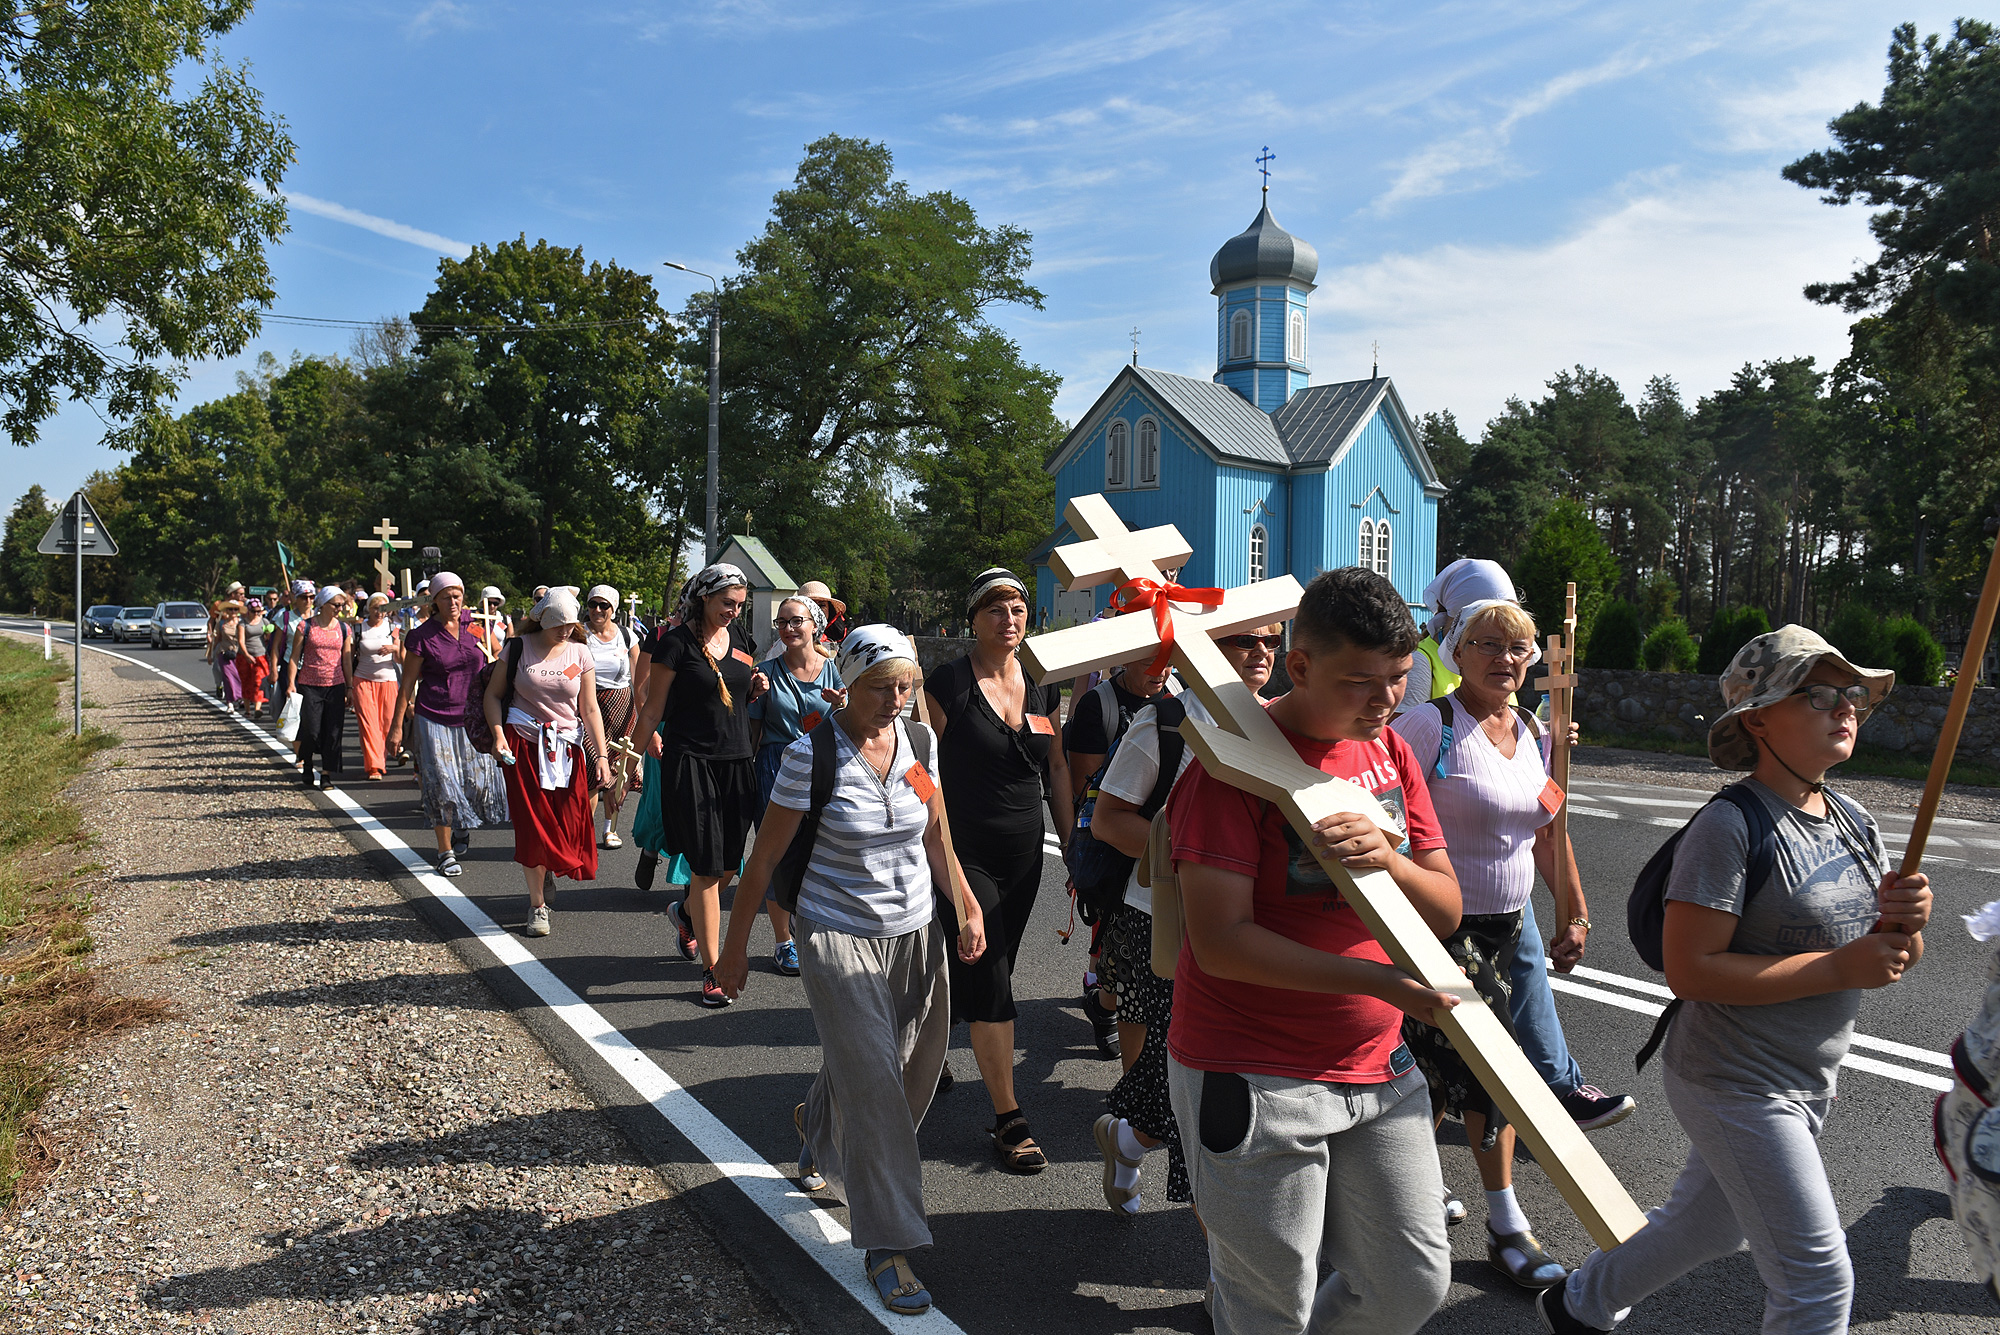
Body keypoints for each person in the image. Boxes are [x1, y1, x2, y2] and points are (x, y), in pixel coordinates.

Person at [1540, 627, 1933, 1335]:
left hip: (1809, 1074)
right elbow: (1693, 971)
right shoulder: (1729, 824)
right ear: (1758, 718)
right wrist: (1843, 966)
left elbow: (1886, 956)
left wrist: (1907, 925)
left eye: (1852, 694)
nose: (1844, 706)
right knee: (1817, 1280)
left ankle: (1578, 1302)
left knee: (1706, 1228)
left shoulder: (1856, 822)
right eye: (1819, 693)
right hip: (1733, 1078)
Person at [1167, 566, 1462, 1335]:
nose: (1386, 699)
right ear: (1299, 666)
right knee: (1271, 1305)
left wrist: (1388, 857)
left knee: (1410, 1284)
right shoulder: (1232, 764)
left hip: (1379, 1066)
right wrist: (1378, 980)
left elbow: (1445, 905)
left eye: (1399, 678)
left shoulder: (1391, 751)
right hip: (1257, 1071)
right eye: (1361, 682)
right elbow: (1221, 943)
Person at [713, 626, 986, 1314]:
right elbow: (765, 860)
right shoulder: (813, 756)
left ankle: (820, 1122)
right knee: (878, 1088)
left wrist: (967, 905)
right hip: (838, 935)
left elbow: (936, 834)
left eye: (907, 686)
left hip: (915, 931)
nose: (896, 700)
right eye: (881, 687)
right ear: (849, 681)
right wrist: (733, 945)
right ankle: (889, 1243)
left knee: (908, 1073)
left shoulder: (919, 745)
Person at [1389, 594, 1616, 1290]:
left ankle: (1420, 1201)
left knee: (1454, 1078)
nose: (1506, 658)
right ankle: (1498, 1223)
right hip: (1437, 927)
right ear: (1455, 652)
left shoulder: (1535, 732)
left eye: (1518, 647)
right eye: (1488, 643)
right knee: (1487, 1073)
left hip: (1508, 931)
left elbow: (1547, 829)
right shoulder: (1430, 725)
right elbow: (1383, 807)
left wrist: (1572, 913)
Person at [1085, 623, 1281, 1215]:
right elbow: (1109, 819)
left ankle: (1124, 1138)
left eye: (1272, 639)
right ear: (1206, 650)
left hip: (1250, 924)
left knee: (1206, 1067)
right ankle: (1221, 1263)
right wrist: (1196, 861)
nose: (1261, 652)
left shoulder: (1278, 723)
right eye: (1244, 639)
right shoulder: (1164, 724)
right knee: (1193, 1068)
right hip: (1165, 922)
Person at [922, 566, 1072, 1174]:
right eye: (994, 610)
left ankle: (927, 1053)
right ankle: (1009, 1120)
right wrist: (939, 852)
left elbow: (1056, 768)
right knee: (989, 973)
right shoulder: (948, 684)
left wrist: (1074, 845)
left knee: (988, 960)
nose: (1008, 620)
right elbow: (917, 768)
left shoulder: (1041, 684)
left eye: (1016, 610)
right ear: (973, 619)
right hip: (963, 852)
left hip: (1025, 853)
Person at [624, 564, 770, 1008]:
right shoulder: (675, 644)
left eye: (740, 605)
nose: (734, 611)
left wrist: (755, 688)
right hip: (691, 762)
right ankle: (713, 969)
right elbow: (652, 709)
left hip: (737, 761)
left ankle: (685, 913)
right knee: (706, 868)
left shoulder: (741, 640)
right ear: (704, 597)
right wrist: (633, 755)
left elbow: (734, 686)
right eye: (728, 603)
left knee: (728, 867)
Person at [1066, 652, 1177, 1060]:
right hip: (1117, 846)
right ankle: (1111, 1006)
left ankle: (1103, 1001)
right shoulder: (1100, 704)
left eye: (1166, 664)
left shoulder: (1176, 699)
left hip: (1152, 849)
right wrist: (1073, 855)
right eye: (1149, 663)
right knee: (1117, 929)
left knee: (1120, 941)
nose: (1160, 672)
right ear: (1125, 661)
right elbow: (1085, 792)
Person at [487, 587, 611, 938]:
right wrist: (498, 736)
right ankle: (537, 905)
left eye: (571, 624)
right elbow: (493, 695)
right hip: (524, 744)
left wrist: (600, 755)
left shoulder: (579, 653)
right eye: (559, 624)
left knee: (570, 822)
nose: (566, 631)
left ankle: (548, 867)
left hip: (566, 748)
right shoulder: (517, 648)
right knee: (533, 825)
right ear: (543, 620)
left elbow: (589, 709)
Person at [748, 595, 846, 976]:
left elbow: (845, 719)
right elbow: (753, 728)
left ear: (815, 625)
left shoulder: (832, 670)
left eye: (796, 621)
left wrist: (841, 705)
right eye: (782, 622)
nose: (788, 628)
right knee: (778, 855)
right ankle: (783, 941)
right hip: (777, 767)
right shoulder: (766, 671)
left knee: (819, 852)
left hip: (822, 768)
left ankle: (814, 932)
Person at [388, 572, 510, 875]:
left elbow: (496, 657)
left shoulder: (478, 626)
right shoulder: (422, 635)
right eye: (446, 596)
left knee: (476, 783)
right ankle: (444, 852)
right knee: (441, 783)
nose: (452, 602)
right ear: (435, 600)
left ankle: (461, 827)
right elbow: (407, 685)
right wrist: (397, 726)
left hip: (473, 717)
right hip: (434, 716)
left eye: (457, 596)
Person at [581, 586, 640, 847]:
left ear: (613, 609)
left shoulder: (628, 637)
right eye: (593, 604)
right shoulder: (579, 635)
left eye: (603, 605)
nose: (597, 610)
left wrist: (641, 712)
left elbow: (639, 681)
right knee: (594, 767)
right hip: (590, 703)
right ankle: (583, 831)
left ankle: (610, 828)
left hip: (622, 706)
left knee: (617, 770)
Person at [285, 586, 356, 788]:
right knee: (312, 730)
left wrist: (349, 687)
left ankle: (326, 774)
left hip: (335, 685)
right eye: (336, 605)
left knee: (333, 731)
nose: (339, 609)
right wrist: (291, 683)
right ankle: (307, 763)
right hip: (310, 685)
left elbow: (347, 659)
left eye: (342, 605)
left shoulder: (344, 629)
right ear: (323, 604)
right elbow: (294, 658)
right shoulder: (305, 627)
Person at [352, 592, 404, 781]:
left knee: (386, 724)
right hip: (363, 680)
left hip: (388, 681)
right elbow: (350, 656)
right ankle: (374, 766)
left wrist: (395, 648)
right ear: (369, 608)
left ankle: (380, 760)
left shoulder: (394, 628)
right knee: (369, 724)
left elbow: (401, 658)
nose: (379, 613)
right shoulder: (359, 628)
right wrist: (349, 686)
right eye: (376, 608)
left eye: (383, 609)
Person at [208, 599, 246, 713]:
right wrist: (211, 653)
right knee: (228, 678)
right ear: (226, 610)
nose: (233, 611)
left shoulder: (242, 623)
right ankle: (230, 702)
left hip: (238, 653)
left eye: (235, 609)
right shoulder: (221, 623)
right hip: (224, 653)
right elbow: (218, 639)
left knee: (239, 677)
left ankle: (239, 697)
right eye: (230, 609)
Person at [239, 598, 271, 717]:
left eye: (259, 611)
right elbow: (241, 641)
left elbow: (268, 638)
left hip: (260, 655)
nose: (256, 614)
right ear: (248, 611)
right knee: (246, 681)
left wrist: (269, 633)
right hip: (245, 656)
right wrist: (246, 654)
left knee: (259, 681)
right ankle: (248, 709)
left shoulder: (264, 622)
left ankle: (258, 708)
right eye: (253, 611)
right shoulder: (243, 623)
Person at [798, 579, 847, 653]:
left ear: (830, 609)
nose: (816, 610)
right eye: (810, 605)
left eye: (821, 605)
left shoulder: (842, 641)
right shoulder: (788, 641)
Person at [472, 586, 511, 660]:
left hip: (499, 659)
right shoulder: (475, 618)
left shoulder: (505, 619)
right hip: (480, 659)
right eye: (489, 603)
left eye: (495, 603)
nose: (492, 606)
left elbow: (510, 641)